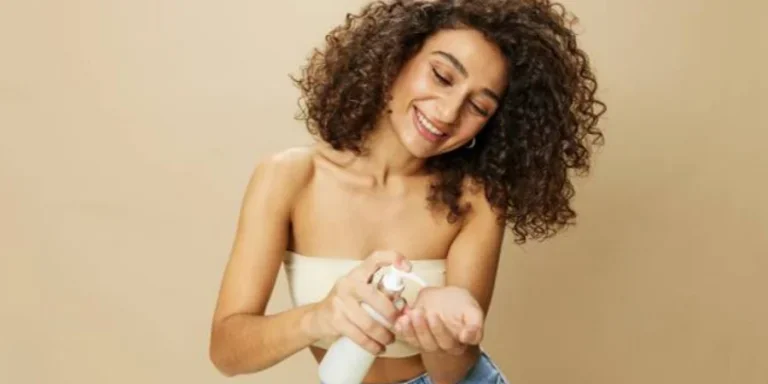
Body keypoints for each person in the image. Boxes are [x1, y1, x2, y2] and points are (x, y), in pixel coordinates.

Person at [208, 0, 605, 383]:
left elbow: (452, 374)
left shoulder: (475, 202)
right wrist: (319, 317)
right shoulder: (290, 177)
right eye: (442, 76)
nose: (448, 113)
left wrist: (437, 329)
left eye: (479, 108)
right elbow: (227, 352)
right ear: (396, 57)